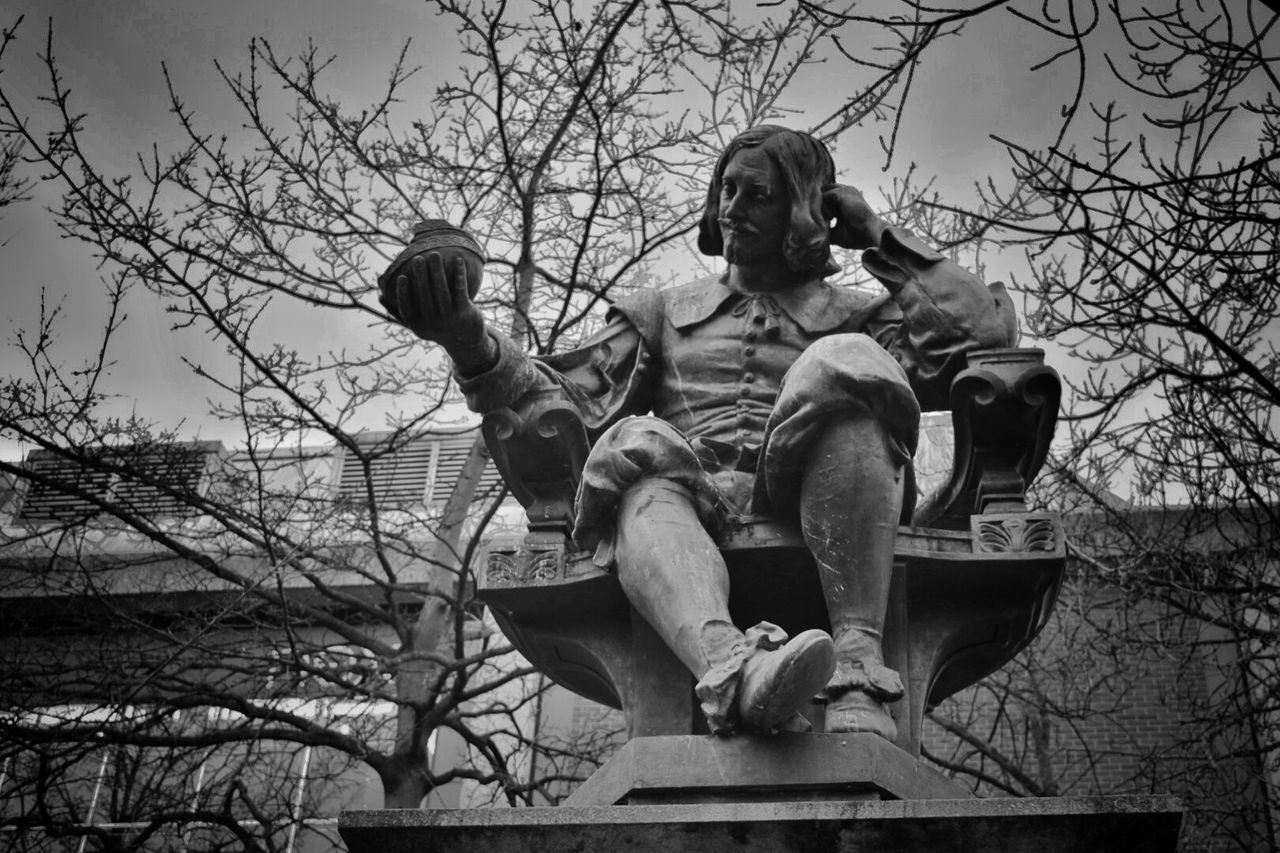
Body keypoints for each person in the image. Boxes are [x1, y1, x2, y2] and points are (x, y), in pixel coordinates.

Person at [380, 126, 1017, 739]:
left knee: (844, 365)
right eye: (727, 189)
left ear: (802, 210)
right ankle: (734, 668)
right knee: (634, 452)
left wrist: (876, 232)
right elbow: (564, 398)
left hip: (820, 499)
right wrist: (469, 338)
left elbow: (983, 337)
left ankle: (858, 667)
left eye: (758, 195)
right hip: (694, 505)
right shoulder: (664, 312)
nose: (732, 208)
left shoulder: (859, 317)